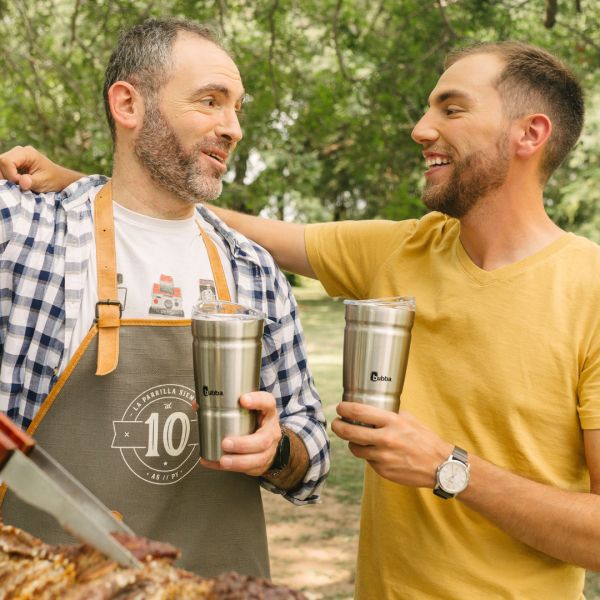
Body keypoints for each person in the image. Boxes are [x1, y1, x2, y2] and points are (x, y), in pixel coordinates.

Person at [5, 40, 600, 600]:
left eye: (452, 108)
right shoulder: (399, 251)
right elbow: (199, 214)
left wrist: (450, 469)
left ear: (530, 133)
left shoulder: (589, 290)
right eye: (210, 100)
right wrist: (81, 184)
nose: (421, 129)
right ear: (126, 103)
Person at [0, 18, 330, 579]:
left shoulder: (252, 270)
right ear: (128, 104)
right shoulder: (22, 234)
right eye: (210, 101)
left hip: (218, 588)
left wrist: (277, 451)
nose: (232, 128)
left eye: (237, 108)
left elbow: (312, 456)